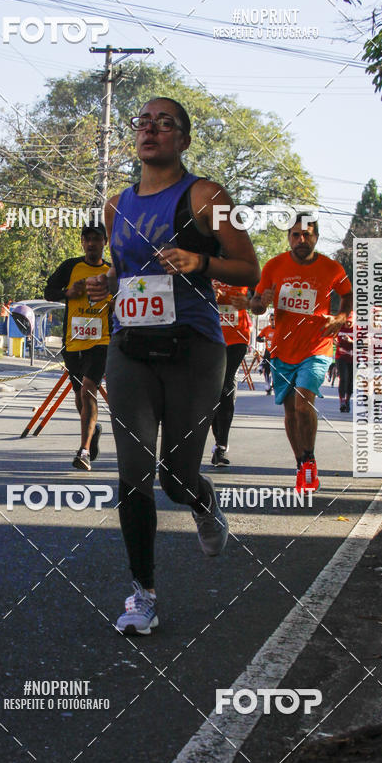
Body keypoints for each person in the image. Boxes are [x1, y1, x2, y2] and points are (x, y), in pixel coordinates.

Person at [86, 96, 259, 635]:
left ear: (184, 139)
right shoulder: (116, 206)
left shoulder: (208, 196)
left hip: (194, 347)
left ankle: (203, 500)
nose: (151, 130)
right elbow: (127, 274)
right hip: (131, 344)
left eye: (166, 124)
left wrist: (200, 262)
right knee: (133, 477)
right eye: (144, 122)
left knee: (175, 480)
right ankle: (143, 594)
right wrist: (106, 285)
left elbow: (249, 268)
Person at [250, 214, 352, 493]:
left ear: (316, 237)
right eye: (295, 235)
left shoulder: (331, 268)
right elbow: (256, 305)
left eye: (306, 235)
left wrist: (342, 316)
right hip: (283, 349)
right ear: (289, 239)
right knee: (290, 412)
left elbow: (347, 293)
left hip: (317, 346)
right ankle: (300, 464)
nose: (301, 240)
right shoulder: (273, 266)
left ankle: (309, 461)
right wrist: (262, 302)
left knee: (302, 406)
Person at [44, 221, 112, 471]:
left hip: (101, 341)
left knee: (88, 390)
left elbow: (124, 300)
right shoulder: (71, 266)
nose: (92, 243)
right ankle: (93, 432)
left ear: (105, 242)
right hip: (73, 341)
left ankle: (83, 451)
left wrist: (110, 300)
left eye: (97, 239)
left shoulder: (111, 271)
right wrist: (67, 292)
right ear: (82, 242)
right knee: (79, 396)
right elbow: (48, 291)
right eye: (88, 239)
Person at [210, 282, 252, 466]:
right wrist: (207, 295)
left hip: (236, 338)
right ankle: (219, 440)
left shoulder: (242, 268)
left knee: (225, 385)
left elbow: (260, 299)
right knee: (213, 389)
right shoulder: (203, 264)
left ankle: (221, 445)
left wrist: (248, 301)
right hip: (209, 336)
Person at [335, 312, 354, 412]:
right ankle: (342, 401)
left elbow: (363, 343)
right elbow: (331, 336)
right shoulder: (340, 327)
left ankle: (347, 399)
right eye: (347, 322)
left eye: (350, 322)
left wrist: (351, 341)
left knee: (351, 381)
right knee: (343, 378)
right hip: (341, 356)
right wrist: (335, 342)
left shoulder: (358, 329)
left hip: (353, 358)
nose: (348, 324)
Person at [257, 312, 276, 394]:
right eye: (272, 319)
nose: (273, 321)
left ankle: (273, 383)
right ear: (269, 320)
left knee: (275, 370)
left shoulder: (280, 329)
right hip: (268, 352)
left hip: (277, 353)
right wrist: (264, 340)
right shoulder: (266, 329)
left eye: (275, 319)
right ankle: (268, 385)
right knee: (266, 370)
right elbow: (258, 338)